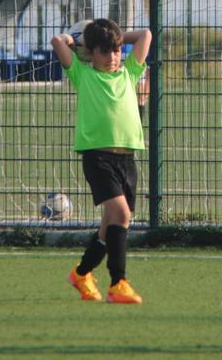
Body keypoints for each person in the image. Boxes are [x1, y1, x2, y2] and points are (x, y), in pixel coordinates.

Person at [51, 18, 152, 304]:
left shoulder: (129, 73)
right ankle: (118, 283)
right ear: (90, 53)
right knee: (122, 215)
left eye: (116, 51)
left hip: (127, 160)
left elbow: (145, 35)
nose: (112, 57)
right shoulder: (83, 75)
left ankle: (81, 273)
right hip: (98, 158)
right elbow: (58, 42)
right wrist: (79, 41)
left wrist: (113, 36)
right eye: (104, 51)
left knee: (110, 228)